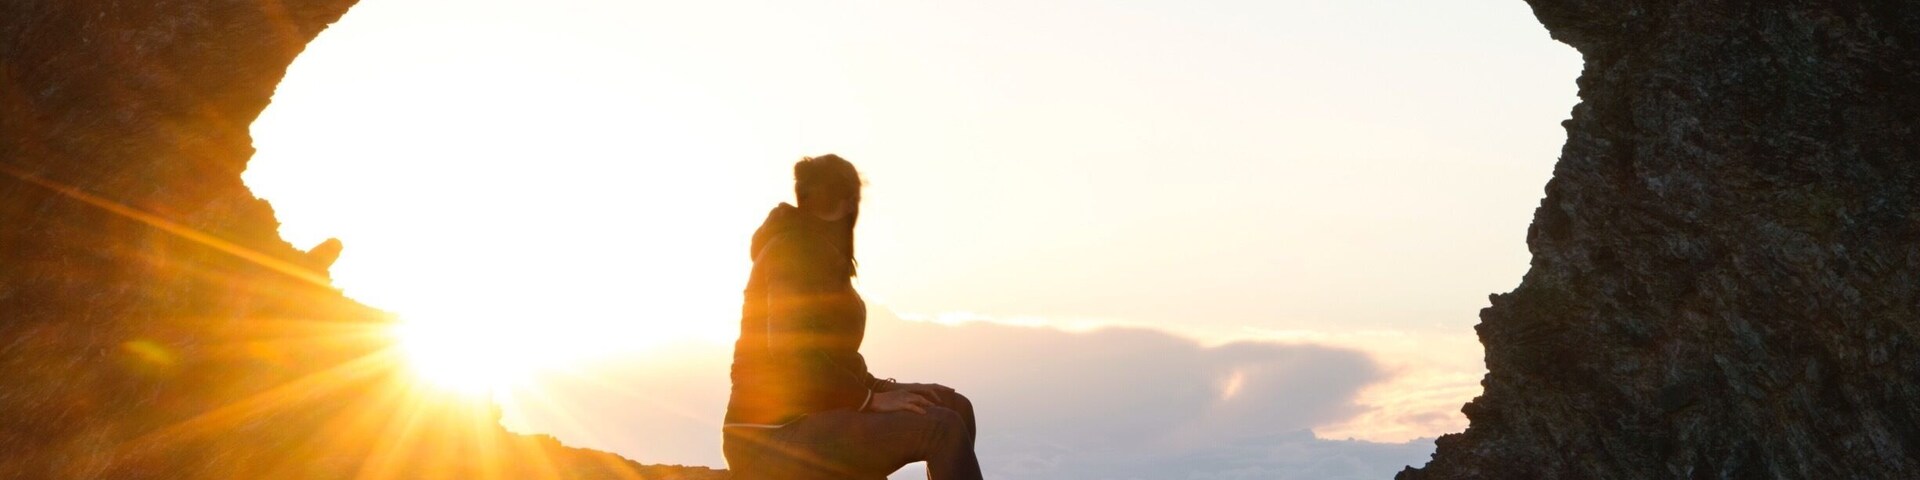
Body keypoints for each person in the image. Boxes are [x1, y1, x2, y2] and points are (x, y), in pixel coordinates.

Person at [722, 155, 983, 480]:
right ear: (848, 203)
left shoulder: (818, 252)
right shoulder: (792, 250)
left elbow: (835, 363)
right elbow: (793, 356)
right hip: (770, 437)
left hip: (810, 418)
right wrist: (868, 399)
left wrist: (884, 390)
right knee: (942, 429)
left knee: (953, 406)